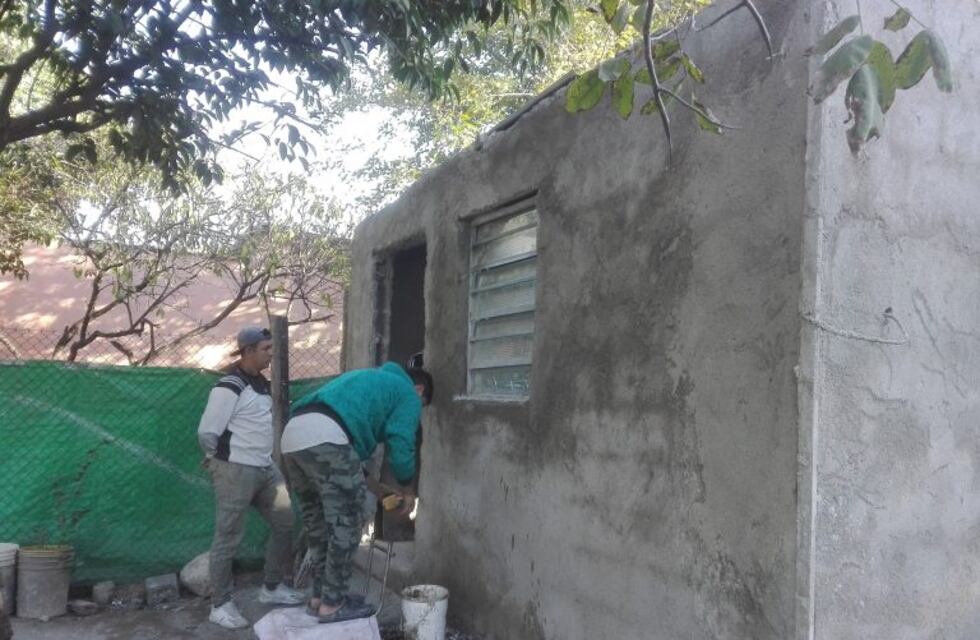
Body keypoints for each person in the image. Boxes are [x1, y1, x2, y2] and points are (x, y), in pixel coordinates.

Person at [282, 361, 433, 623]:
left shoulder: (373, 381)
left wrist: (379, 490)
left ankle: (320, 598)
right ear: (419, 390)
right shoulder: (407, 393)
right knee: (347, 524)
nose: (417, 411)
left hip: (294, 437)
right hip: (327, 437)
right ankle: (333, 605)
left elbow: (343, 460)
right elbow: (401, 443)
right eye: (422, 405)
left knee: (318, 526)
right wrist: (408, 488)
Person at [197, 326, 305, 629]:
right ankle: (220, 605)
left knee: (285, 522)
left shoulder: (259, 383)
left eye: (271, 348)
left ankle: (272, 587)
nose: (271, 354)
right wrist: (217, 460)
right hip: (236, 470)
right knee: (228, 536)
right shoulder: (228, 386)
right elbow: (207, 432)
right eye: (266, 349)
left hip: (265, 468)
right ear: (247, 351)